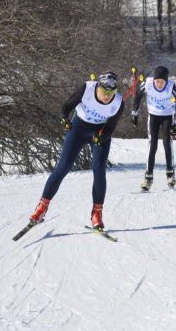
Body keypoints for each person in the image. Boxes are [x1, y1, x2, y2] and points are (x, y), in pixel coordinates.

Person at [28, 71, 124, 229]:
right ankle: (42, 207)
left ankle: (96, 213)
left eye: (110, 92)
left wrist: (102, 137)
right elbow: (66, 107)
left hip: (99, 132)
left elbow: (110, 128)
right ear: (98, 87)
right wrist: (65, 119)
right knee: (63, 166)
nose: (106, 96)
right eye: (104, 91)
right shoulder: (87, 89)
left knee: (99, 170)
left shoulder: (118, 102)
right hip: (78, 128)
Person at [131, 65, 176, 190]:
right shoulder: (147, 84)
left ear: (166, 81)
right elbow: (137, 96)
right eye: (157, 81)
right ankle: (148, 177)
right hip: (153, 116)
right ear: (154, 80)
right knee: (152, 145)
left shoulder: (171, 87)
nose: (159, 84)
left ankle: (170, 174)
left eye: (162, 82)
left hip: (167, 116)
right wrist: (134, 113)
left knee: (167, 143)